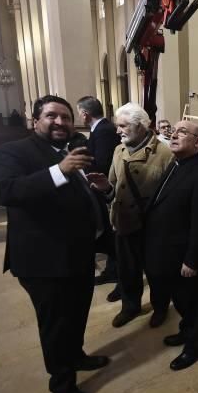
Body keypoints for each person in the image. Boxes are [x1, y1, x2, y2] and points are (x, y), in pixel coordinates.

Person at [0, 95, 110, 393]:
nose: (60, 122)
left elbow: (80, 195)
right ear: (36, 121)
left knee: (78, 311)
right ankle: (63, 387)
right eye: (52, 116)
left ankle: (76, 356)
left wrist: (101, 188)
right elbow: (6, 191)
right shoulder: (14, 152)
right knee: (56, 323)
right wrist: (59, 170)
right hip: (43, 259)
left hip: (79, 254)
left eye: (66, 117)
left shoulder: (71, 152)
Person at [87, 102, 174, 328]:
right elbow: (113, 189)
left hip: (153, 227)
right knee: (127, 270)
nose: (118, 131)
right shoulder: (118, 150)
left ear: (142, 125)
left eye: (123, 126)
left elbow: (173, 198)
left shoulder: (166, 154)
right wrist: (105, 187)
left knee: (156, 272)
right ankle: (130, 307)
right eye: (118, 126)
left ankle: (160, 307)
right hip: (123, 222)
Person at [143, 119, 198, 370]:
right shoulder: (177, 165)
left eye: (182, 132)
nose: (174, 135)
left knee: (195, 302)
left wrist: (192, 259)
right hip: (168, 250)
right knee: (181, 299)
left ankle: (196, 346)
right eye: (173, 131)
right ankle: (186, 332)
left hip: (186, 254)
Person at [78, 96, 119, 291]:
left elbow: (102, 163)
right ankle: (112, 270)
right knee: (110, 233)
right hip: (102, 186)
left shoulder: (103, 131)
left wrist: (81, 168)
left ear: (85, 114)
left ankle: (116, 272)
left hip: (107, 187)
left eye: (79, 112)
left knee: (112, 231)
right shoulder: (100, 129)